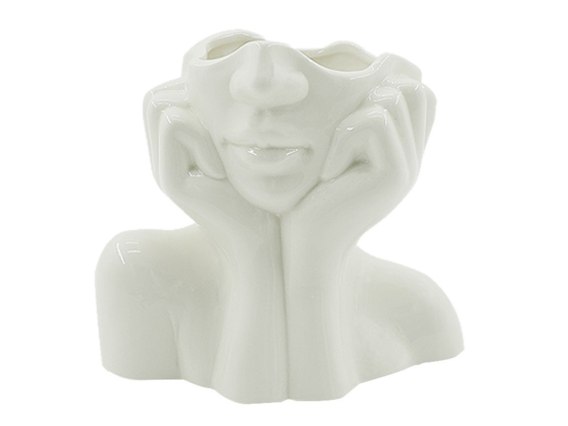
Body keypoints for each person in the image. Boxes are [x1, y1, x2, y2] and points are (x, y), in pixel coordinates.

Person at [96, 30, 463, 403]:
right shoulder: (138, 275)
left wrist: (317, 248)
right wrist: (245, 241)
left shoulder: (418, 310)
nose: (262, 91)